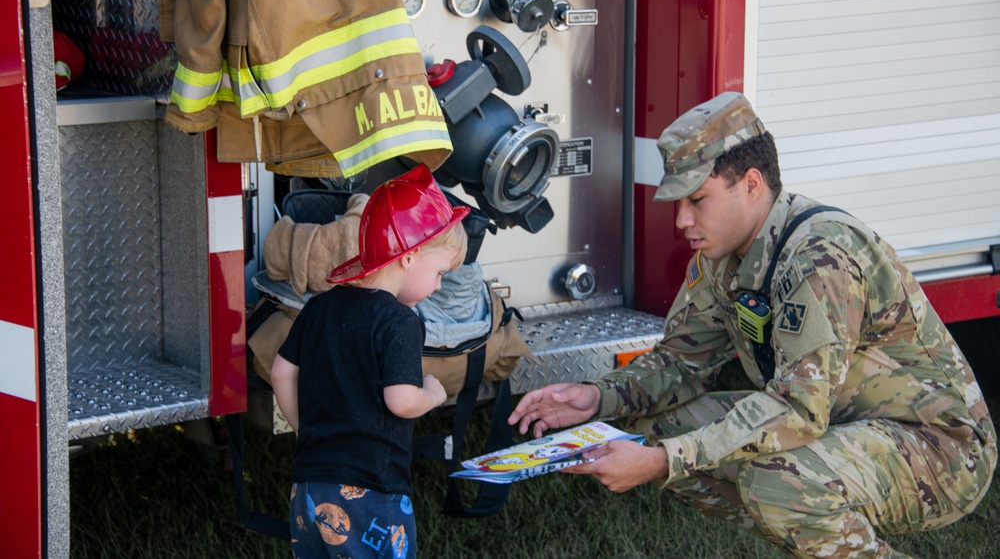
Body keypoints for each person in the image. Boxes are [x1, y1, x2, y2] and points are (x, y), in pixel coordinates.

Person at [509, 92, 997, 558]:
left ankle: (805, 513)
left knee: (776, 481)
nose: (681, 220)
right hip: (847, 424)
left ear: (752, 184)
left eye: (696, 200)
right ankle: (811, 530)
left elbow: (798, 410)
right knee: (656, 427)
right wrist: (599, 398)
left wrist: (667, 461)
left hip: (942, 448)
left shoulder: (817, 256)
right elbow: (681, 363)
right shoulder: (723, 256)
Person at [271, 163, 468, 559]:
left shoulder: (320, 306)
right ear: (409, 258)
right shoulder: (400, 322)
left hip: (309, 488)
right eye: (441, 272)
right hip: (371, 495)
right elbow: (401, 400)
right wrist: (432, 392)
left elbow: (280, 372)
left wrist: (305, 432)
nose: (438, 285)